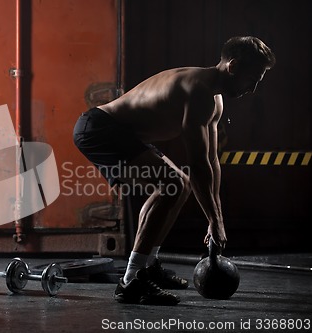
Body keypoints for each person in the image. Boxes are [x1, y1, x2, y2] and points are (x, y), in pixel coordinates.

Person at [73, 36, 276, 305]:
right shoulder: (198, 92)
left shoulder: (215, 100)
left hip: (121, 132)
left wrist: (216, 218)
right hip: (99, 128)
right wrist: (215, 222)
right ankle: (131, 280)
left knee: (179, 186)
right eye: (253, 80)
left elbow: (211, 161)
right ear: (233, 66)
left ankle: (148, 265)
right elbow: (197, 164)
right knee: (173, 185)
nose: (252, 89)